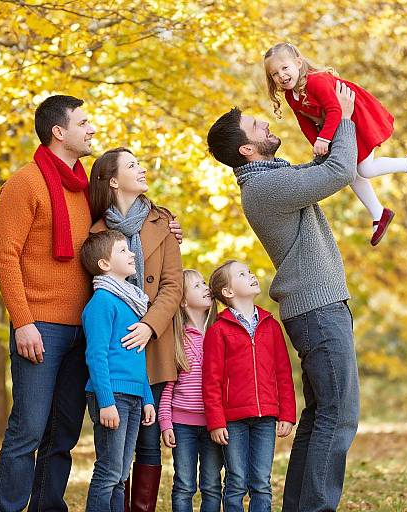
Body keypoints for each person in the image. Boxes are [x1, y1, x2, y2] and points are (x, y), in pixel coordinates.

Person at [206, 84, 359, 511]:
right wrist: (342, 116)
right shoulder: (265, 188)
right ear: (247, 151)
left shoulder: (275, 178)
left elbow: (322, 165)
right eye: (256, 125)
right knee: (339, 415)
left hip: (318, 307)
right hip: (317, 309)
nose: (266, 123)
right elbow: (338, 172)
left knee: (320, 415)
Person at [0, 95, 96, 511]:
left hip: (82, 327)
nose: (91, 129)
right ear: (59, 131)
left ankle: (47, 506)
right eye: (83, 122)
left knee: (63, 433)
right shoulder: (25, 183)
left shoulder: (85, 187)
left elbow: (118, 230)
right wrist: (24, 322)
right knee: (29, 430)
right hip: (40, 327)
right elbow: (5, 257)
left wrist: (167, 225)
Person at [89, 147, 183, 512]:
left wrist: (148, 325)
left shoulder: (163, 221)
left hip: (154, 341)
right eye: (132, 165)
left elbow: (173, 285)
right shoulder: (96, 231)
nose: (141, 169)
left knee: (146, 439)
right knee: (116, 449)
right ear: (113, 181)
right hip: (117, 347)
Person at [264, 42, 407, 246]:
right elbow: (304, 122)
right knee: (347, 170)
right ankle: (378, 213)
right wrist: (317, 145)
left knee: (365, 169)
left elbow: (335, 110)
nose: (281, 75)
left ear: (298, 63)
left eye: (285, 68)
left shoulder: (315, 82)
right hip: (336, 126)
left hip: (355, 116)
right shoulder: (291, 95)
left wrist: (324, 138)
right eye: (274, 74)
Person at [202, 260, 296, 512]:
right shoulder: (218, 331)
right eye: (242, 274)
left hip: (266, 417)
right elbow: (211, 381)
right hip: (233, 421)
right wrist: (216, 421)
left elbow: (283, 373)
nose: (251, 275)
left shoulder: (271, 325)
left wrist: (286, 413)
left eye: (249, 272)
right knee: (236, 481)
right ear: (228, 292)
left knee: (261, 483)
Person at [80, 229, 156, 512]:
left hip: (133, 396)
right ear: (104, 264)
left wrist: (147, 397)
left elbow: (137, 357)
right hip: (112, 396)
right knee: (109, 471)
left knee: (122, 475)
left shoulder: (131, 302)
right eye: (123, 251)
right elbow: (95, 356)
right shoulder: (101, 302)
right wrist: (106, 402)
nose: (132, 253)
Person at [158, 269, 223, 512]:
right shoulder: (178, 340)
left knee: (212, 484)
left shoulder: (220, 333)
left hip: (213, 424)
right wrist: (166, 423)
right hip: (182, 423)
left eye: (205, 283)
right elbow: (168, 387)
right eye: (197, 286)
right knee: (184, 484)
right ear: (183, 301)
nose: (206, 287)